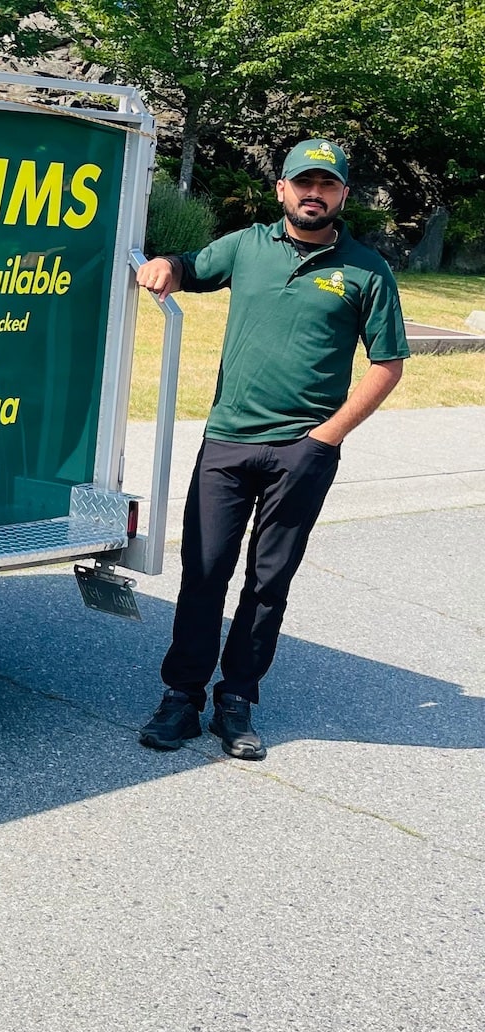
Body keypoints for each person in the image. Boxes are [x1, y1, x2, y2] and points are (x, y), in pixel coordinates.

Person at [136, 138, 408, 760]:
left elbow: (388, 365)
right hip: (227, 442)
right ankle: (181, 698)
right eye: (303, 182)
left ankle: (236, 701)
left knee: (268, 581)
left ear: (342, 195)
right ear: (282, 189)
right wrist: (165, 267)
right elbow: (189, 265)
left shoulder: (367, 269)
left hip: (303, 451)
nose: (314, 193)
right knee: (203, 573)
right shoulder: (247, 246)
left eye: (327, 184)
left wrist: (326, 437)